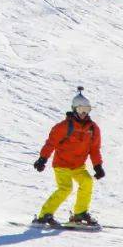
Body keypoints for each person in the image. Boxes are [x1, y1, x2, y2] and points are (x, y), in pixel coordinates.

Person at [32, 92, 105, 226]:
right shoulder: (64, 126)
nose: (84, 113)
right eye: (81, 110)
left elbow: (94, 149)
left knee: (87, 182)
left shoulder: (93, 129)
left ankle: (79, 213)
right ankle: (44, 215)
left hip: (78, 166)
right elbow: (51, 143)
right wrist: (43, 159)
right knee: (65, 188)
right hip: (62, 164)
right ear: (74, 109)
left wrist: (98, 166)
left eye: (87, 110)